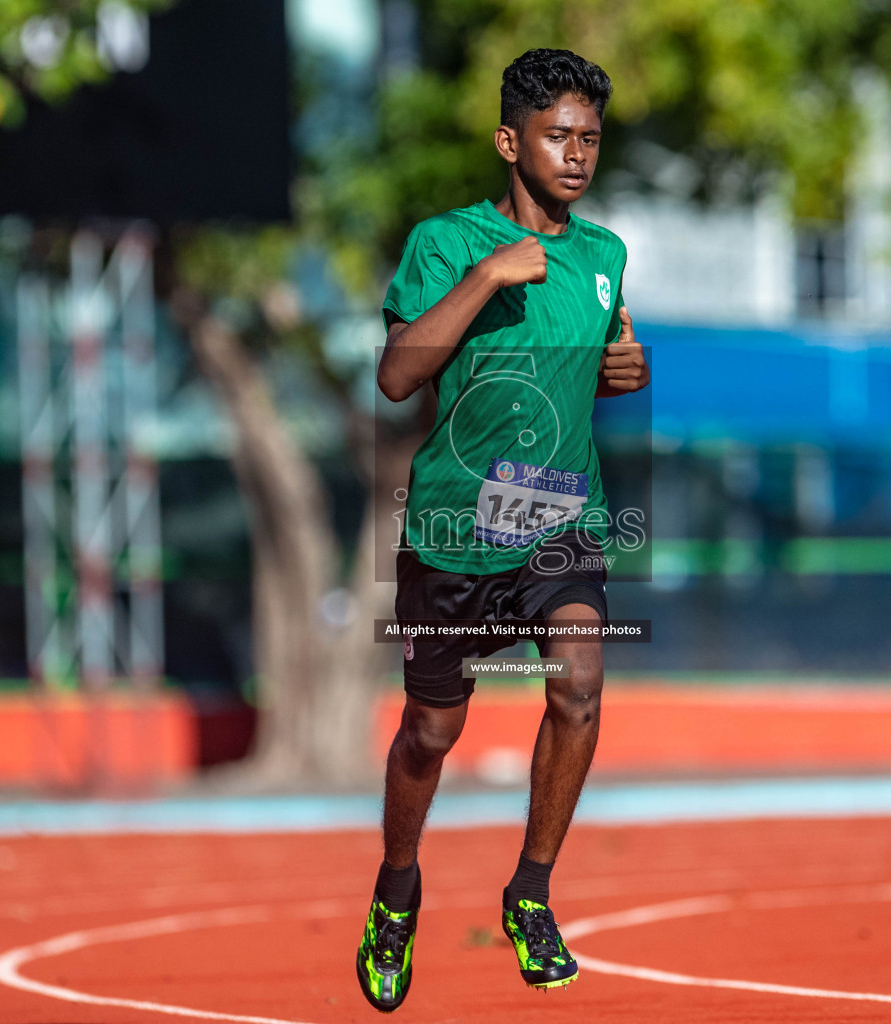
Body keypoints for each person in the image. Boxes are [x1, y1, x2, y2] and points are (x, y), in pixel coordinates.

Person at [356, 47, 649, 1013]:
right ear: (508, 141)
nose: (577, 155)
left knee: (579, 684)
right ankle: (398, 892)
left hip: (560, 515)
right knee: (432, 732)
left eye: (590, 139)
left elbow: (602, 355)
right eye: (560, 136)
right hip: (453, 524)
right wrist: (488, 275)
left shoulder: (603, 254)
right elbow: (399, 377)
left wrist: (624, 369)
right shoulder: (445, 243)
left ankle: (531, 890)